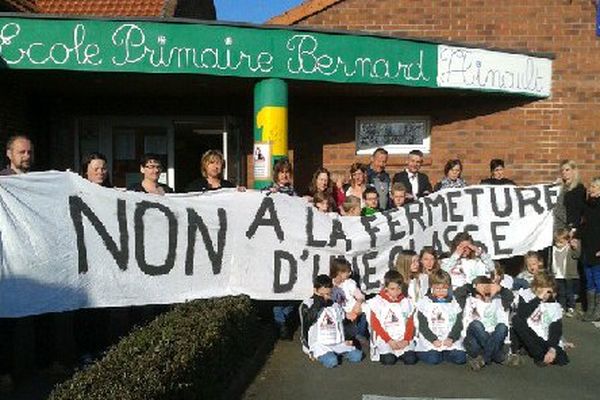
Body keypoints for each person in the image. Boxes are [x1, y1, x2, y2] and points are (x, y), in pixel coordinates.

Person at [299, 274, 363, 368]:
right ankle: (324, 355)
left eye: (328, 294)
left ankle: (336, 353)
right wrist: (308, 350)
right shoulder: (307, 304)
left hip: (337, 342)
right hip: (320, 344)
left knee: (358, 356)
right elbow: (305, 326)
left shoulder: (335, 305)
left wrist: (346, 339)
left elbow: (342, 323)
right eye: (322, 294)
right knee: (332, 362)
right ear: (315, 290)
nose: (325, 297)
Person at [508, 272, 569, 367]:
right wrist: (538, 298)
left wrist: (552, 348)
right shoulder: (525, 295)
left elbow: (555, 328)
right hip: (528, 333)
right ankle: (539, 355)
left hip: (544, 338)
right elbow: (523, 314)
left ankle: (545, 354)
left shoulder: (554, 305)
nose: (545, 294)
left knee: (562, 358)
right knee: (516, 319)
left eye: (548, 291)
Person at [455, 276, 512, 370]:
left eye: (487, 286)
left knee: (502, 327)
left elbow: (510, 296)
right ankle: (499, 357)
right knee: (476, 324)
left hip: (493, 337)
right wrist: (473, 287)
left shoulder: (499, 300)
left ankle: (484, 359)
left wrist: (500, 289)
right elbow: (457, 293)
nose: (485, 289)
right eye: (481, 286)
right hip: (473, 339)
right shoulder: (468, 299)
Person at [415, 270, 466, 365]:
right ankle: (424, 353)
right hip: (431, 340)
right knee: (433, 360)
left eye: (444, 289)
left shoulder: (454, 302)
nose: (441, 292)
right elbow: (423, 326)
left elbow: (458, 324)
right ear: (431, 287)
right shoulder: (425, 303)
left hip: (448, 340)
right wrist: (433, 339)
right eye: (437, 289)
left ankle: (445, 353)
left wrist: (451, 338)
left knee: (461, 359)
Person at [367, 270, 417, 365]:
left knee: (411, 360)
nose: (396, 292)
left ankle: (402, 353)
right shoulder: (377, 302)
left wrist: (406, 339)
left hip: (403, 338)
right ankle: (389, 353)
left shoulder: (406, 302)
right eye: (392, 289)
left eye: (398, 288)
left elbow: (410, 322)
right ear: (386, 288)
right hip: (386, 338)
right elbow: (375, 325)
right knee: (389, 360)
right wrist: (389, 341)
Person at [329, 258, 367, 340]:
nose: (350, 273)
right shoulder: (329, 284)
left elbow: (360, 296)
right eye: (347, 271)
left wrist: (357, 306)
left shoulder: (350, 283)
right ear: (339, 272)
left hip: (353, 309)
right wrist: (345, 314)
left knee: (366, 309)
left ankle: (360, 335)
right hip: (339, 312)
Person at [581, 177, 600, 321]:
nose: (591, 189)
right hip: (587, 248)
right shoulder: (587, 206)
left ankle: (598, 310)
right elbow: (585, 227)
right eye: (590, 186)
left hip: (598, 249)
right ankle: (590, 309)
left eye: (594, 186)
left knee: (598, 279)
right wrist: (575, 236)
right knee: (589, 280)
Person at [550, 228, 580, 317]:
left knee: (569, 292)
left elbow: (576, 255)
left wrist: (575, 247)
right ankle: (562, 307)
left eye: (561, 242)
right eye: (556, 242)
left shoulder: (569, 248)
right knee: (561, 293)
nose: (558, 244)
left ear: (567, 240)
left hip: (568, 275)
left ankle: (571, 307)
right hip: (558, 275)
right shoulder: (553, 249)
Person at [554, 160, 586, 236]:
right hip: (558, 225)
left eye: (567, 170)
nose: (564, 172)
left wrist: (574, 227)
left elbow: (577, 209)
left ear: (574, 171)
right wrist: (556, 186)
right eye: (562, 170)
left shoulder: (579, 188)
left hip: (569, 226)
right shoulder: (561, 187)